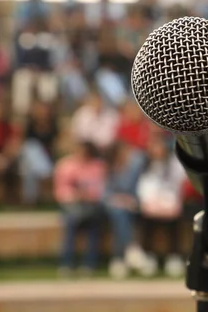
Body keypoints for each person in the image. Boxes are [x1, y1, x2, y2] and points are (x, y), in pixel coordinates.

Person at [54, 141, 106, 278]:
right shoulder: (65, 165)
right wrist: (76, 196)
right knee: (70, 223)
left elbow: (102, 189)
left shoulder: (98, 166)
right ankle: (66, 264)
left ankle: (89, 265)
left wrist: (88, 196)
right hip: (72, 206)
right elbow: (60, 191)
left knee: (94, 226)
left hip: (92, 207)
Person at [136, 135, 186, 278]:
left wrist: (169, 202)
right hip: (151, 204)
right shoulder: (145, 166)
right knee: (146, 221)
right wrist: (150, 202)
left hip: (170, 203)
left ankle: (174, 257)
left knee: (175, 220)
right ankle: (148, 256)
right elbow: (143, 187)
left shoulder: (175, 165)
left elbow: (178, 186)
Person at [105, 143, 143, 280]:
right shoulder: (109, 168)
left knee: (121, 216)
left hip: (132, 203)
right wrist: (119, 200)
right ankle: (131, 247)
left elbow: (140, 189)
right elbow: (105, 193)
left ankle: (118, 259)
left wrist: (131, 201)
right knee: (119, 213)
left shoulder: (135, 167)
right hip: (113, 204)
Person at [20, 100, 58, 205]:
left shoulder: (53, 125)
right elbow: (24, 145)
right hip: (30, 157)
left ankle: (29, 201)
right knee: (31, 147)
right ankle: (44, 171)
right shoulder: (30, 125)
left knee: (29, 171)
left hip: (46, 157)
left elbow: (55, 144)